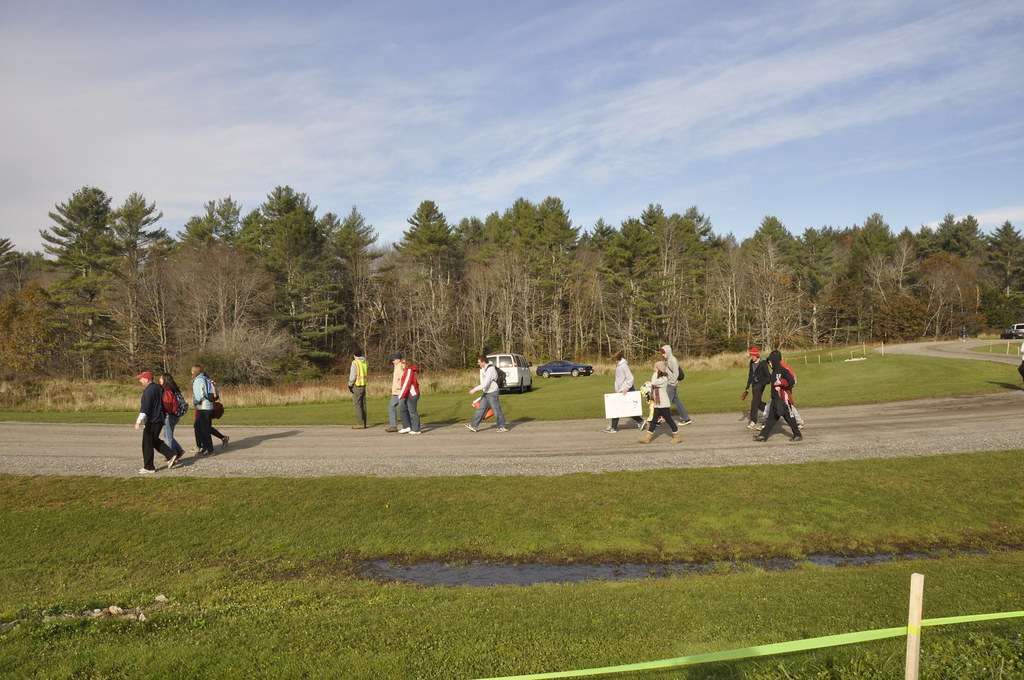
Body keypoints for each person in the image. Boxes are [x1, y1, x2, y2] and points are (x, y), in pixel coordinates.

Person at [754, 350, 802, 442]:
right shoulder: (774, 373)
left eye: (770, 362)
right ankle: (763, 436)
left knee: (789, 418)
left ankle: (797, 434)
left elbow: (791, 382)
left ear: (775, 362)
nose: (769, 364)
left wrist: (783, 387)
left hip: (783, 400)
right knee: (770, 419)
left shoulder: (783, 371)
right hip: (775, 399)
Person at [134, 371, 176, 474]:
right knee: (154, 440)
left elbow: (145, 407)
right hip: (160, 419)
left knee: (147, 443)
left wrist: (138, 421)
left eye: (141, 378)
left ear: (147, 379)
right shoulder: (159, 387)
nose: (140, 380)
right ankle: (170, 455)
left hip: (153, 420)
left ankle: (149, 467)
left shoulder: (149, 391)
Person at [638, 361, 681, 444]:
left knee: (669, 420)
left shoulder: (664, 379)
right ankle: (647, 438)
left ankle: (677, 436)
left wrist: (655, 373)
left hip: (663, 403)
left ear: (659, 369)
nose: (653, 368)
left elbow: (653, 382)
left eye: (655, 367)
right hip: (658, 403)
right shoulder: (659, 377)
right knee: (654, 420)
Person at [603, 351, 645, 433]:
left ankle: (614, 428)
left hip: (625, 390)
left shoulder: (623, 366)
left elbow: (630, 378)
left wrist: (626, 388)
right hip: (621, 390)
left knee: (616, 408)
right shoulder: (619, 365)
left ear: (615, 358)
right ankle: (640, 421)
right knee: (625, 408)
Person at [467, 354, 509, 432]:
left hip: (492, 393)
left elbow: (485, 383)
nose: (478, 364)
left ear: (483, 362)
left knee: (497, 410)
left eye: (479, 362)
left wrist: (475, 389)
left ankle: (502, 426)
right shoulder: (485, 368)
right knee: (481, 409)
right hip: (487, 393)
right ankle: (474, 426)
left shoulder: (491, 369)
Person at [659, 344, 692, 425]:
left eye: (664, 353)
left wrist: (671, 382)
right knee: (677, 402)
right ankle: (686, 419)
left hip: (671, 384)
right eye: (662, 353)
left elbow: (676, 373)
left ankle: (658, 419)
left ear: (668, 352)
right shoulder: (666, 360)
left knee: (665, 402)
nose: (663, 354)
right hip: (669, 383)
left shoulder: (672, 359)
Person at [158, 373, 186, 467]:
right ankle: (179, 450)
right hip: (176, 415)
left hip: (169, 416)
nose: (159, 380)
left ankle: (172, 456)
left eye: (161, 378)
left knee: (168, 436)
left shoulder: (165, 390)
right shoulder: (175, 389)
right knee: (166, 434)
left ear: (164, 380)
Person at [190, 364, 216, 456]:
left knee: (202, 429)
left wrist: (195, 403)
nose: (191, 372)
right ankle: (205, 447)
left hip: (203, 407)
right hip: (209, 406)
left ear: (196, 371)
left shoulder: (198, 380)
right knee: (201, 427)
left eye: (192, 370)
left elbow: (199, 396)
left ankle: (209, 449)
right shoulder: (206, 378)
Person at [742, 347, 771, 430]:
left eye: (753, 356)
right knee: (757, 402)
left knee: (754, 402)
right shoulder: (751, 362)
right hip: (754, 384)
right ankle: (769, 411)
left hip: (761, 384)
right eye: (751, 356)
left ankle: (753, 421)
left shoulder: (763, 363)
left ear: (757, 355)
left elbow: (768, 377)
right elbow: (750, 375)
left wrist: (762, 384)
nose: (752, 358)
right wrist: (747, 387)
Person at [397, 358, 422, 434]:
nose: (402, 364)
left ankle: (416, 429)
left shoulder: (409, 371)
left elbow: (406, 385)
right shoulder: (406, 371)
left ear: (407, 364)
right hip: (407, 394)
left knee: (413, 411)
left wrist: (400, 396)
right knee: (402, 408)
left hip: (412, 394)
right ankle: (407, 426)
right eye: (401, 363)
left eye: (403, 363)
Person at [349, 348, 368, 429]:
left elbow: (353, 375)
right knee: (363, 404)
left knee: (357, 404)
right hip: (363, 384)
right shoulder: (364, 362)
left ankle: (360, 423)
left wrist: (350, 384)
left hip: (357, 385)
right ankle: (364, 422)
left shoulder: (355, 363)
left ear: (354, 355)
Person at [385, 353, 403, 432]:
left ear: (398, 360)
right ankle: (393, 426)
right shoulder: (396, 367)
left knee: (403, 409)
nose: (393, 361)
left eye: (394, 360)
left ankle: (410, 425)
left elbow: (401, 379)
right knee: (391, 407)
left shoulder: (401, 367)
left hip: (400, 391)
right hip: (395, 392)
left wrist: (400, 388)